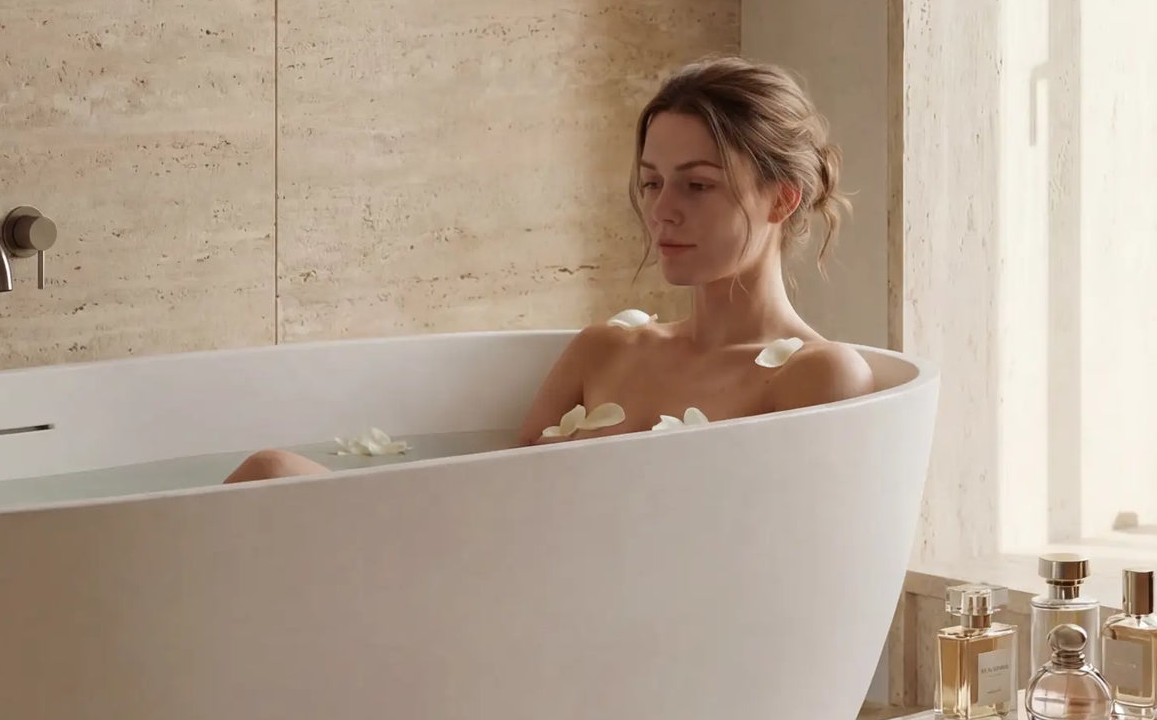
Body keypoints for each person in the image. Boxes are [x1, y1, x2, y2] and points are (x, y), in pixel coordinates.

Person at [224, 56, 872, 483]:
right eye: (651, 183)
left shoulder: (816, 374)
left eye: (697, 186)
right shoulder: (606, 349)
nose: (662, 212)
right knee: (271, 471)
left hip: (627, 623)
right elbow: (504, 500)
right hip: (507, 589)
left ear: (782, 198)